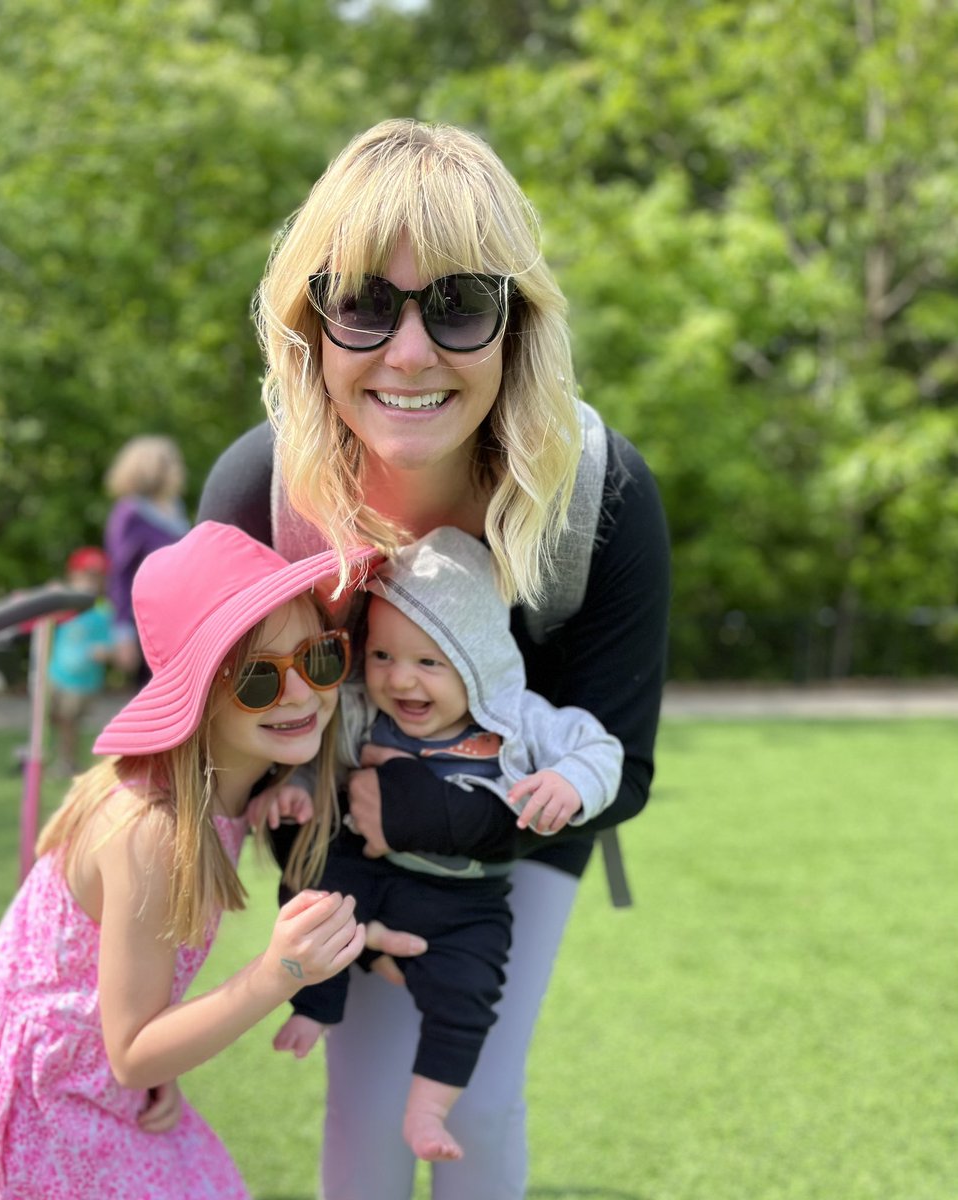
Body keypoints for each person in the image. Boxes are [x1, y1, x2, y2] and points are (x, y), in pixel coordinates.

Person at [198, 118, 671, 1200]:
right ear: (309, 326)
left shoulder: (601, 498)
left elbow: (623, 769)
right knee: (366, 1103)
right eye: (363, 303)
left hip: (522, 813)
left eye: (458, 304)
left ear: (517, 324)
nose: (409, 353)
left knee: (477, 1098)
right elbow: (206, 756)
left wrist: (429, 821)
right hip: (335, 831)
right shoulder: (259, 499)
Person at [0, 520, 384, 1200]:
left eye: (318, 658)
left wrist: (159, 1056)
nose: (299, 692)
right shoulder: (151, 829)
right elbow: (131, 1051)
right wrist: (278, 972)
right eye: (257, 678)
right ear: (197, 695)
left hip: (93, 1074)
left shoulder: (227, 789)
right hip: (41, 1105)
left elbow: (127, 1026)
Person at [266, 526, 624, 1163]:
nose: (401, 680)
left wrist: (570, 781)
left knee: (470, 990)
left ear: (478, 660)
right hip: (373, 872)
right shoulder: (361, 712)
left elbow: (600, 748)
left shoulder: (517, 719)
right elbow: (317, 755)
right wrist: (294, 790)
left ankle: (429, 1110)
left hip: (467, 900)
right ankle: (314, 1003)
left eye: (429, 662)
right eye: (383, 656)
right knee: (316, 893)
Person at [103, 434, 191, 687]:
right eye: (173, 463)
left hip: (180, 620)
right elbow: (120, 574)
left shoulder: (175, 508)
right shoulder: (130, 513)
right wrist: (122, 631)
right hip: (146, 624)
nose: (179, 470)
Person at [46, 545, 115, 776]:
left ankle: (67, 762)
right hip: (56, 675)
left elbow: (113, 643)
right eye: (86, 577)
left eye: (96, 578)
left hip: (82, 682)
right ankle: (55, 758)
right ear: (73, 577)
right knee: (52, 718)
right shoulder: (66, 607)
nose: (90, 584)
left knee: (69, 721)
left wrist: (106, 651)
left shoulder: (103, 610)